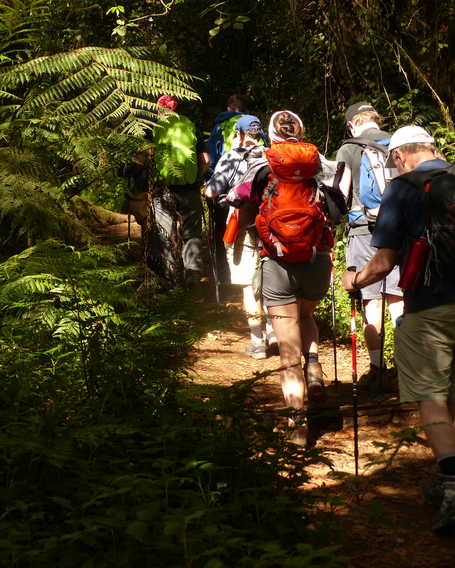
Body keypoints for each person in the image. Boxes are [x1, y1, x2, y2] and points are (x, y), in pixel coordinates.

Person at [341, 125, 455, 533]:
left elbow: (384, 261)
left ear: (398, 155)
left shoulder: (403, 188)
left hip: (428, 306)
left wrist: (353, 281)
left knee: (431, 394)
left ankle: (451, 481)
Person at [257, 110, 333, 445]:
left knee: (288, 352)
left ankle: (298, 425)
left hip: (277, 262)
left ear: (272, 135)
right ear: (301, 132)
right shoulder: (321, 165)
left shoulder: (262, 168)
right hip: (316, 260)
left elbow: (240, 206)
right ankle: (314, 365)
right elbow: (338, 209)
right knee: (307, 315)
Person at [337, 102, 404, 391]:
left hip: (363, 231)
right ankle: (404, 370)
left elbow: (341, 194)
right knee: (398, 301)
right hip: (399, 231)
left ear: (352, 124)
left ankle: (377, 369)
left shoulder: (349, 148)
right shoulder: (398, 143)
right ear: (376, 120)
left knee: (371, 300)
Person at [205, 114, 276, 359]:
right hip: (272, 227)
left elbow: (211, 193)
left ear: (239, 133)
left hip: (241, 228)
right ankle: (274, 331)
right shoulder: (273, 155)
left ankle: (258, 343)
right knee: (270, 280)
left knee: (248, 285)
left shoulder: (231, 157)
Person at [128, 95, 207, 287]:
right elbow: (205, 159)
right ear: (175, 108)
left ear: (158, 109)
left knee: (166, 234)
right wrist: (197, 179)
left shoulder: (151, 126)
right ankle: (194, 277)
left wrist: (134, 176)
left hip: (162, 189)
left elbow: (141, 159)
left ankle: (172, 280)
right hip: (189, 188)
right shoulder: (189, 124)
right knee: (192, 233)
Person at [205, 94, 250, 286]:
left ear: (229, 106)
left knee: (222, 231)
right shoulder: (252, 124)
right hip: (249, 186)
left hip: (224, 185)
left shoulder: (220, 124)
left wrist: (210, 179)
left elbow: (212, 154)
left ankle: (224, 277)